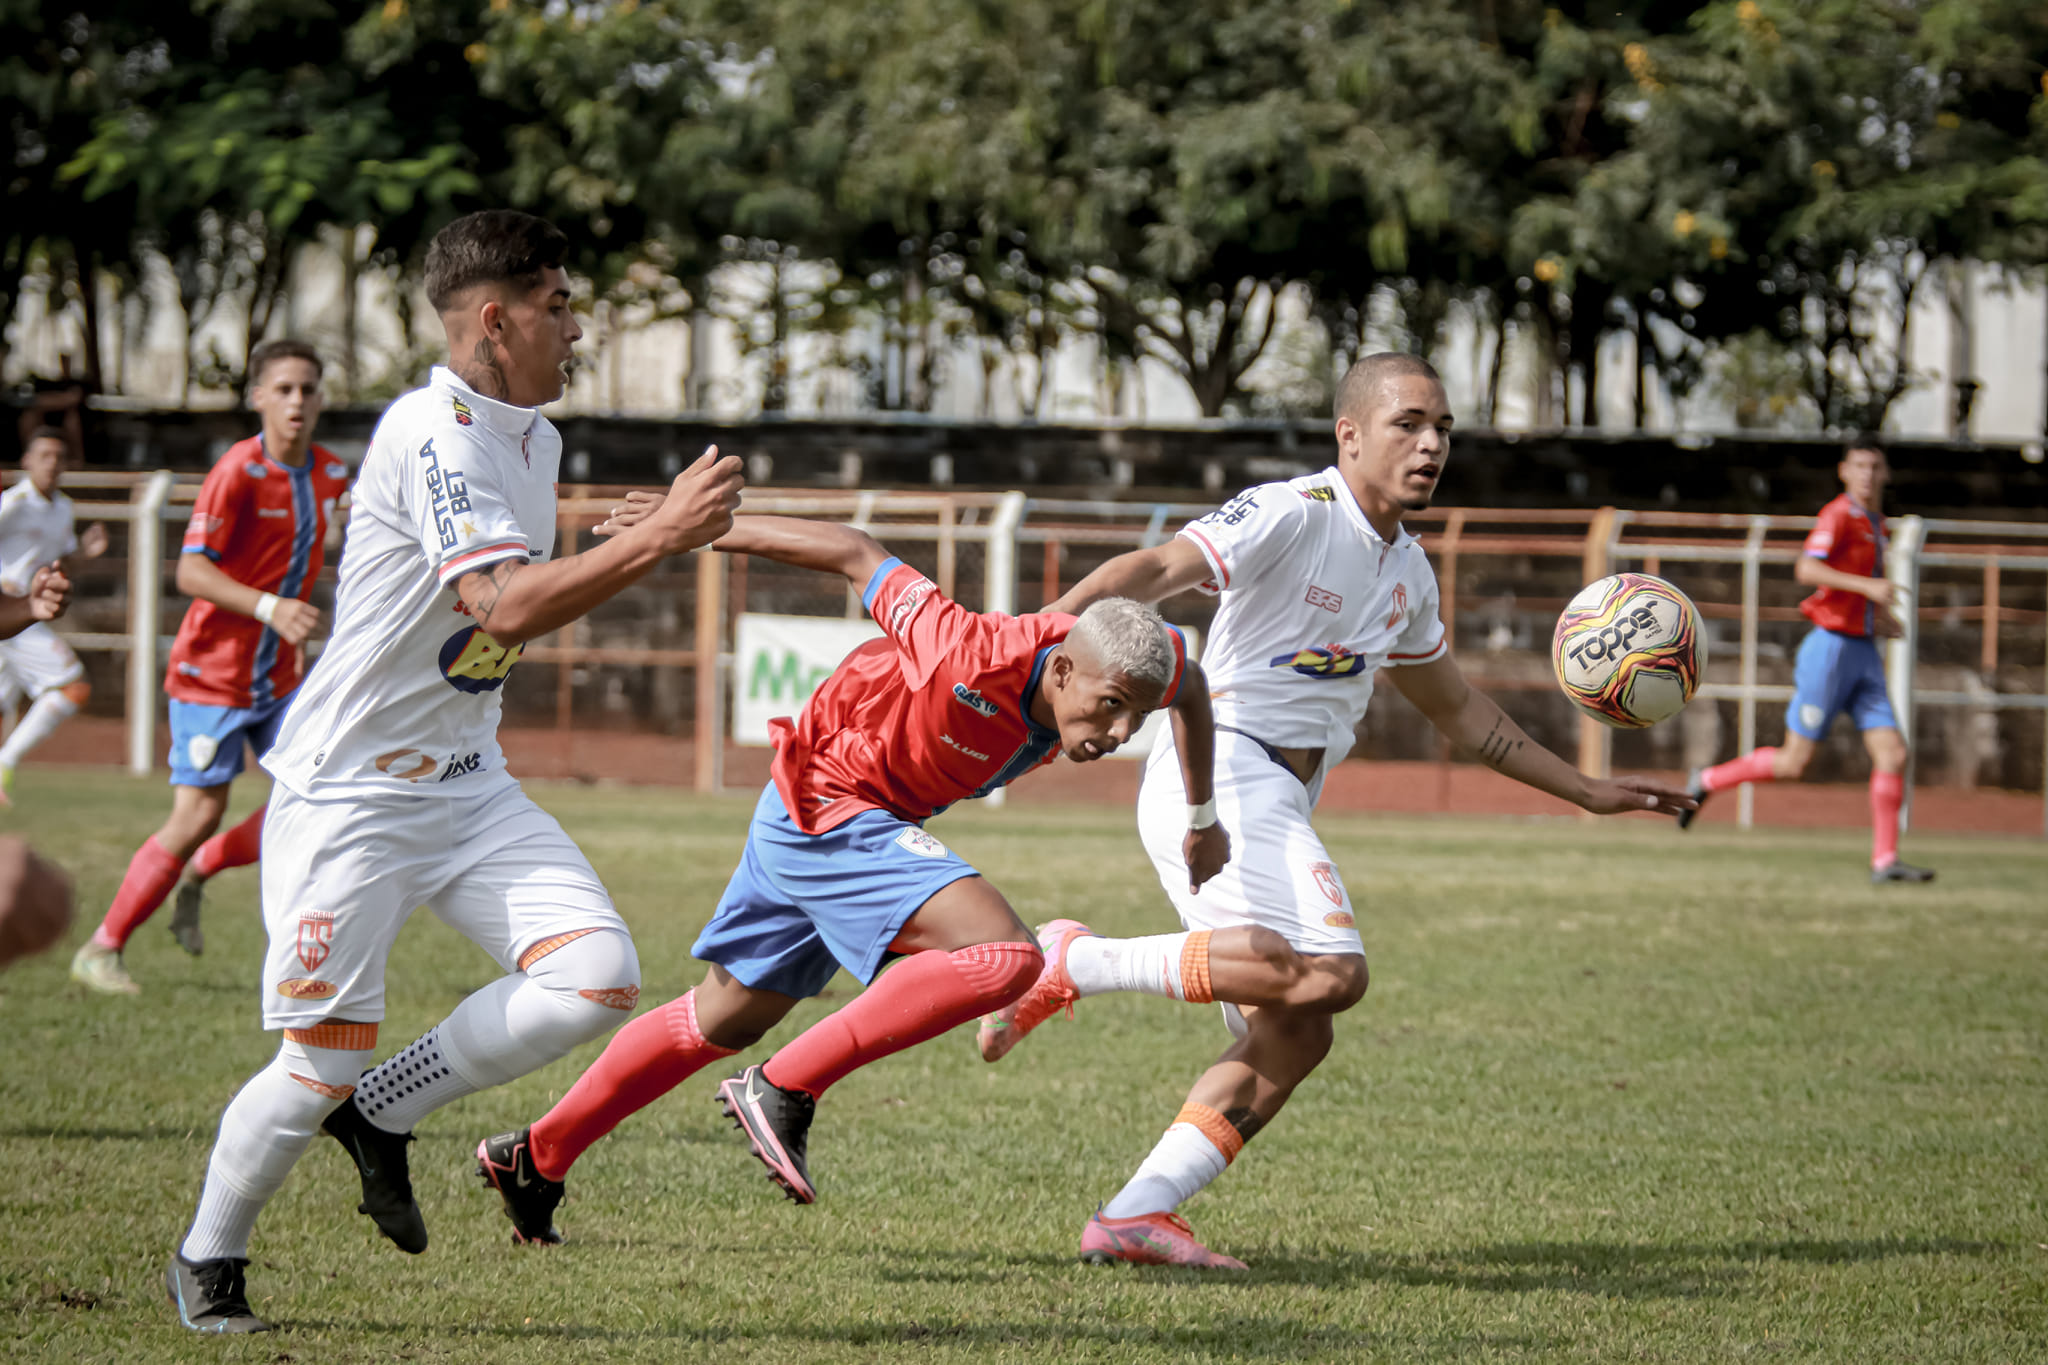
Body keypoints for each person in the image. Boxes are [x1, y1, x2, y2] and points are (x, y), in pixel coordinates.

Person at [981, 353, 1696, 1270]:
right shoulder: (1291, 511)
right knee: (1335, 971)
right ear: (1349, 434)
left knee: (1300, 1026)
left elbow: (1463, 714)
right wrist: (1035, 640)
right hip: (1224, 772)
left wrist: (1591, 792)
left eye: (1443, 429)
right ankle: (1072, 959)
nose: (1432, 444)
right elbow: (1155, 566)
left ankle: (1133, 1213)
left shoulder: (1407, 572)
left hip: (1278, 794)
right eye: (1409, 424)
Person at [165, 209, 745, 1335]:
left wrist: (620, 540)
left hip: (468, 779)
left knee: (596, 972)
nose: (576, 327)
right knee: (316, 1061)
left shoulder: (534, 434)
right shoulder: (432, 429)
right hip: (352, 793)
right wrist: (653, 540)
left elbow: (512, 606)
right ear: (496, 318)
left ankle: (386, 1116)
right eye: (559, 304)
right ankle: (208, 1255)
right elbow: (497, 604)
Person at [469, 511, 1228, 1247]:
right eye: (1111, 709)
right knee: (1006, 957)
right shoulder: (966, 651)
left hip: (813, 815)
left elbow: (1188, 687)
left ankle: (534, 1157)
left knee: (722, 1017)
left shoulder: (1129, 654)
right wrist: (695, 526)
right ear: (1061, 668)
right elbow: (855, 550)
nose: (1122, 733)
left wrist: (1201, 816)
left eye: (1133, 717)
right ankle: (785, 1085)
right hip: (831, 805)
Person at [72, 341, 347, 995]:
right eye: (283, 388)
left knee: (317, 799)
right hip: (211, 675)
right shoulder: (238, 470)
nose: (297, 401)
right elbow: (192, 569)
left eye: (308, 389)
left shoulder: (332, 474)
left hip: (280, 676)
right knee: (199, 810)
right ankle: (101, 948)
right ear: (257, 397)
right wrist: (271, 606)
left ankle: (203, 871)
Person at [1676, 440, 1932, 883]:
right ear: (1844, 472)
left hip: (1864, 652)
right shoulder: (1837, 515)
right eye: (1859, 466)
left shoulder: (1878, 523)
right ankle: (1707, 780)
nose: (1868, 474)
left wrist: (1880, 618)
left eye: (1875, 466)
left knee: (1893, 753)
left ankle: (1885, 861)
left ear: (1886, 473)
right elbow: (1807, 570)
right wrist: (1868, 590)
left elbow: (1854, 590)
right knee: (1795, 762)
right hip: (1830, 650)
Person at [0, 426, 107, 800]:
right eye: (44, 455)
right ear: (27, 461)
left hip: (28, 615)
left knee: (4, 703)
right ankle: (6, 761)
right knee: (73, 687)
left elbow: (61, 564)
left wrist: (85, 555)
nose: (52, 464)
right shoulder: (12, 503)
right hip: (10, 613)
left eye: (59, 457)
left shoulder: (63, 507)